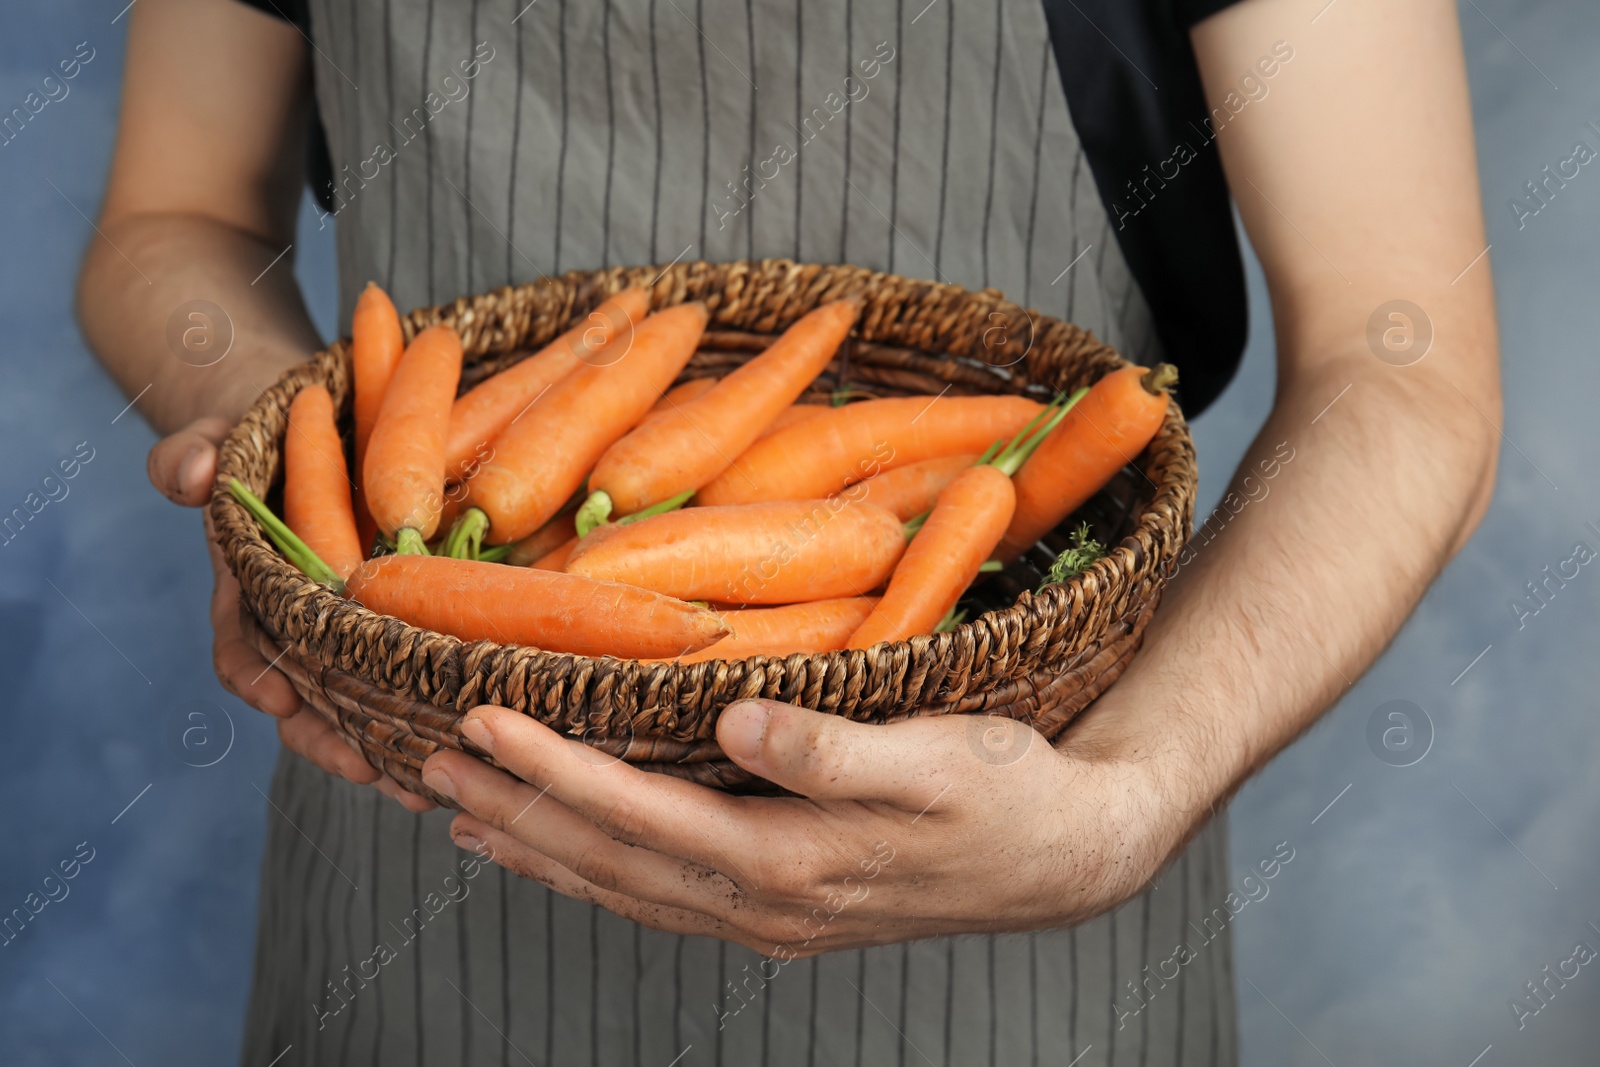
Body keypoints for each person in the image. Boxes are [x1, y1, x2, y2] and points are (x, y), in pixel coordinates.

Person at [80, 0, 1499, 1062]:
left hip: (1014, 920)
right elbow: (174, 215)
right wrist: (290, 455)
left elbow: (1406, 365)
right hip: (417, 858)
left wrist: (1128, 794)